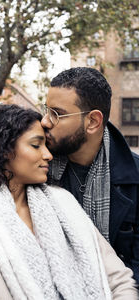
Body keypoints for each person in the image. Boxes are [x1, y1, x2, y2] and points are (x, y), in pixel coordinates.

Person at [0, 104, 137, 300]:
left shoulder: (63, 201)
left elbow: (119, 280)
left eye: (46, 146)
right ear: (2, 150)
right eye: (36, 145)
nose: (48, 155)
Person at [41, 67, 139, 284]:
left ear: (93, 121)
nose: (45, 122)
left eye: (56, 114)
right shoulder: (37, 168)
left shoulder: (135, 178)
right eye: (46, 110)